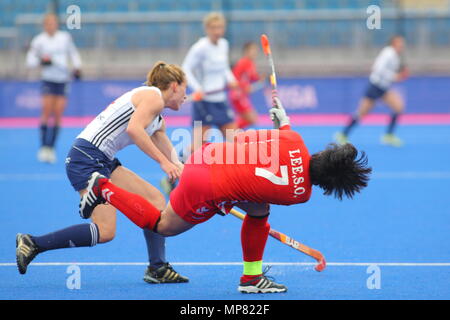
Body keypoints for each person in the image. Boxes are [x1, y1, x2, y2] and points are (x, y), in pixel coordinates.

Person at [75, 97, 372, 293]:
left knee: (258, 210)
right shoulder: (300, 194)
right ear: (330, 186)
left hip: (207, 156)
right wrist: (223, 197)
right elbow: (269, 183)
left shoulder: (294, 139)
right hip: (208, 187)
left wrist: (283, 121)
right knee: (163, 225)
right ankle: (105, 189)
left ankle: (252, 278)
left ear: (323, 153)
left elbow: (248, 143)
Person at [16, 61, 189, 284]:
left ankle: (158, 268)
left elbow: (167, 148)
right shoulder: (153, 96)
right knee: (106, 231)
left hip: (103, 160)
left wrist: (182, 170)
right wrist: (164, 164)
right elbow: (134, 130)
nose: (186, 96)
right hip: (86, 159)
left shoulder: (157, 115)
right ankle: (33, 243)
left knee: (155, 198)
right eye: (185, 88)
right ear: (174, 85)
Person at [26, 13, 82, 163]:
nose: (51, 26)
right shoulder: (39, 41)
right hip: (48, 80)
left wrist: (77, 67)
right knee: (46, 110)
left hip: (63, 80)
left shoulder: (65, 37)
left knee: (58, 113)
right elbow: (30, 60)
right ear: (45, 25)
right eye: (48, 23)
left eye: (53, 23)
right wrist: (42, 61)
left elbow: (73, 54)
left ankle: (51, 148)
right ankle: (43, 146)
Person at [335, 35, 409, 147]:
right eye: (399, 44)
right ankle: (343, 134)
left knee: (398, 107)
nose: (402, 46)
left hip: (383, 87)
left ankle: (388, 136)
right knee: (362, 112)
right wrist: (395, 77)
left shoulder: (395, 56)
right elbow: (378, 69)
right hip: (375, 86)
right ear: (393, 43)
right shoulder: (388, 53)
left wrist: (398, 74)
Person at [182, 12, 239, 152]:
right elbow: (185, 69)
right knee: (198, 147)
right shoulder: (200, 47)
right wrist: (197, 89)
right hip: (204, 102)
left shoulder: (224, 44)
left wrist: (232, 80)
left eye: (220, 27)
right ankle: (177, 169)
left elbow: (224, 68)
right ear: (207, 29)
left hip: (220, 101)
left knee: (236, 140)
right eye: (213, 28)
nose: (217, 31)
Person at [229, 41, 264, 129]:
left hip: (243, 95)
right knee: (252, 118)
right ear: (246, 51)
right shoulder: (243, 62)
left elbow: (251, 76)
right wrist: (244, 87)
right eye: (253, 50)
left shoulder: (250, 63)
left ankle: (234, 133)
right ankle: (231, 130)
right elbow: (234, 78)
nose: (255, 52)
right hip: (238, 95)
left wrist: (259, 77)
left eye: (256, 50)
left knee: (249, 118)